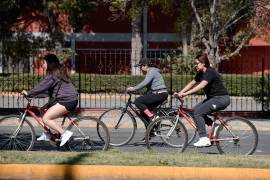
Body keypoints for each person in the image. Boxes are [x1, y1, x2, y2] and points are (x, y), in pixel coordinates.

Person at [21, 53, 78, 147]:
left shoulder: (53, 74)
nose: (42, 65)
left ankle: (65, 134)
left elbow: (42, 86)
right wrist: (34, 95)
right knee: (42, 110)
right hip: (63, 99)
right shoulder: (56, 72)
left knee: (46, 118)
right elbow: (47, 91)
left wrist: (29, 93)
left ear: (49, 63)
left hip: (68, 100)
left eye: (44, 63)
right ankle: (48, 134)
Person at [175, 53, 230, 147]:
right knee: (194, 111)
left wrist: (185, 94)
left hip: (221, 99)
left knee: (198, 113)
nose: (195, 65)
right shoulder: (200, 73)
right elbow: (192, 83)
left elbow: (201, 86)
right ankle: (214, 125)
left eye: (197, 63)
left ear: (203, 63)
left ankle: (204, 138)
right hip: (212, 99)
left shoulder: (210, 72)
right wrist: (180, 92)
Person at [127, 58, 168, 124]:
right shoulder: (151, 71)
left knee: (138, 101)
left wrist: (133, 88)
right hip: (159, 94)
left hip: (160, 94)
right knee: (143, 112)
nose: (140, 68)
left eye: (141, 66)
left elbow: (144, 83)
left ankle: (152, 116)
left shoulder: (151, 72)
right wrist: (137, 92)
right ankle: (151, 131)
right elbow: (148, 88)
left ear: (145, 65)